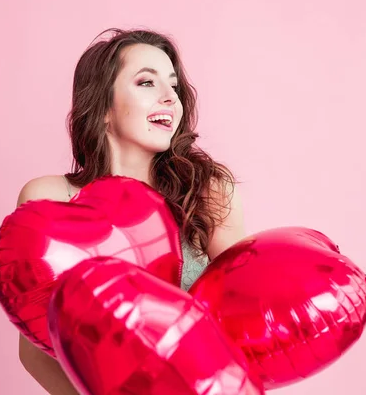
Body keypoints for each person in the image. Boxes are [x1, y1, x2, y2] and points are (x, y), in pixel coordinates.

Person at [15, 28, 246, 395]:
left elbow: (245, 313)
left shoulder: (205, 191)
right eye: (146, 83)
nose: (170, 97)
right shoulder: (52, 199)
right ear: (104, 107)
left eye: (173, 85)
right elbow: (34, 348)